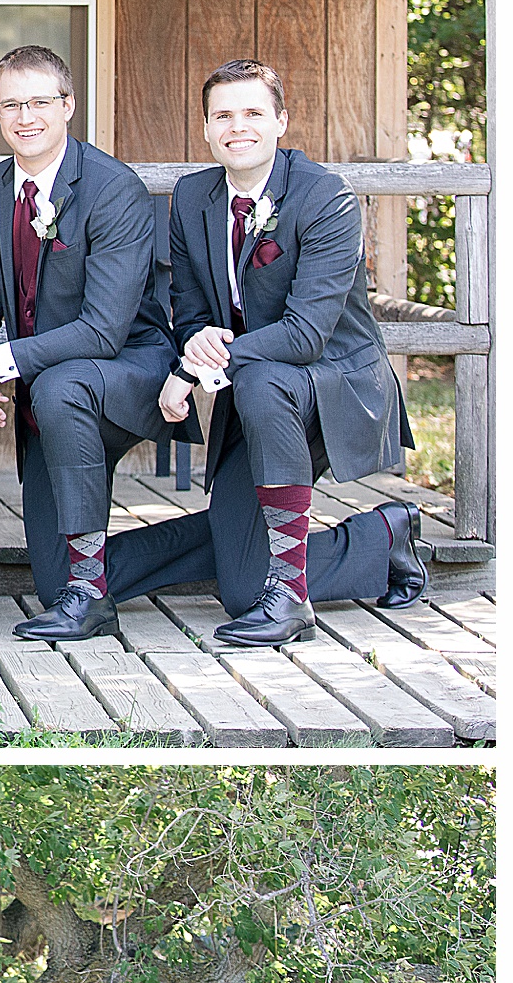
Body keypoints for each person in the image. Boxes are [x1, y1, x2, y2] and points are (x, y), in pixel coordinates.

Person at [156, 61, 424, 645]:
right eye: (223, 115)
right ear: (205, 128)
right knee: (242, 584)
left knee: (263, 380)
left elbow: (306, 335)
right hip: (255, 388)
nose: (238, 127)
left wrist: (190, 369)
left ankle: (291, 597)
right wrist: (194, 340)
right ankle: (383, 540)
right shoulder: (193, 196)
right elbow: (192, 308)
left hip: (331, 384)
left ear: (281, 120)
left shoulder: (327, 197)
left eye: (253, 113)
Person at [0, 44, 186, 643]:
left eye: (39, 101)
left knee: (58, 383)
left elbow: (104, 329)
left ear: (69, 105)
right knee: (53, 579)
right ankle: (90, 581)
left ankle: (89, 595)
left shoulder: (112, 189)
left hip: (125, 371)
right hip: (55, 390)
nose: (24, 116)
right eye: (9, 104)